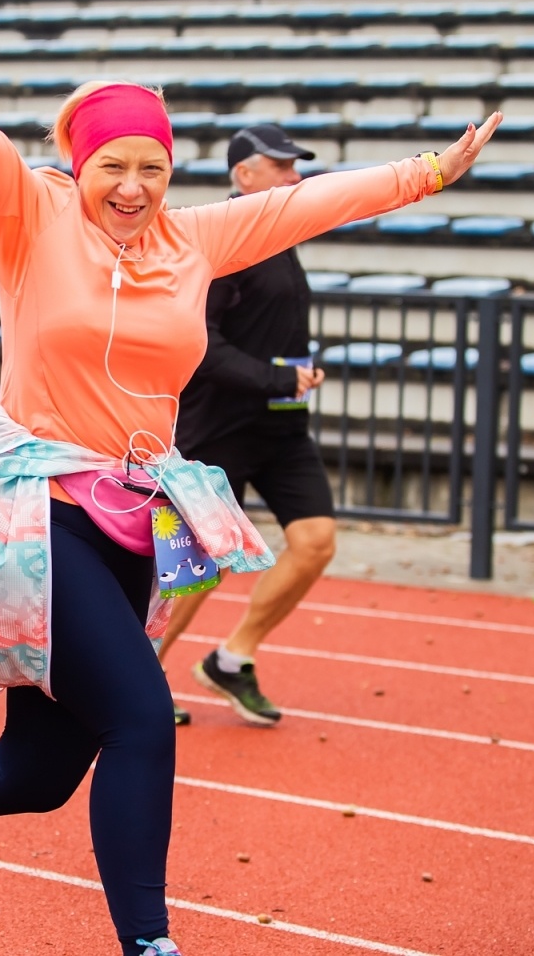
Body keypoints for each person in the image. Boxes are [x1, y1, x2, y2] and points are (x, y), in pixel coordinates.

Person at [0, 0, 500, 956]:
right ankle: (148, 944)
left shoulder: (195, 240)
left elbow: (319, 203)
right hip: (35, 514)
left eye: (150, 169)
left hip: (132, 520)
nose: (130, 187)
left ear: (173, 174)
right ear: (79, 166)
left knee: (31, 778)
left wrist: (427, 171)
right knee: (141, 719)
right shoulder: (29, 216)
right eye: (112, 166)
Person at [160, 124, 336, 727]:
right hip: (217, 433)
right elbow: (200, 346)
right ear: (244, 176)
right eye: (282, 166)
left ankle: (232, 660)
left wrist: (302, 368)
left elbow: (271, 328)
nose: (295, 176)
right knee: (192, 572)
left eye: (296, 166)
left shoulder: (282, 235)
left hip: (283, 430)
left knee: (315, 543)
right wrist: (274, 378)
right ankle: (138, 679)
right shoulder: (220, 240)